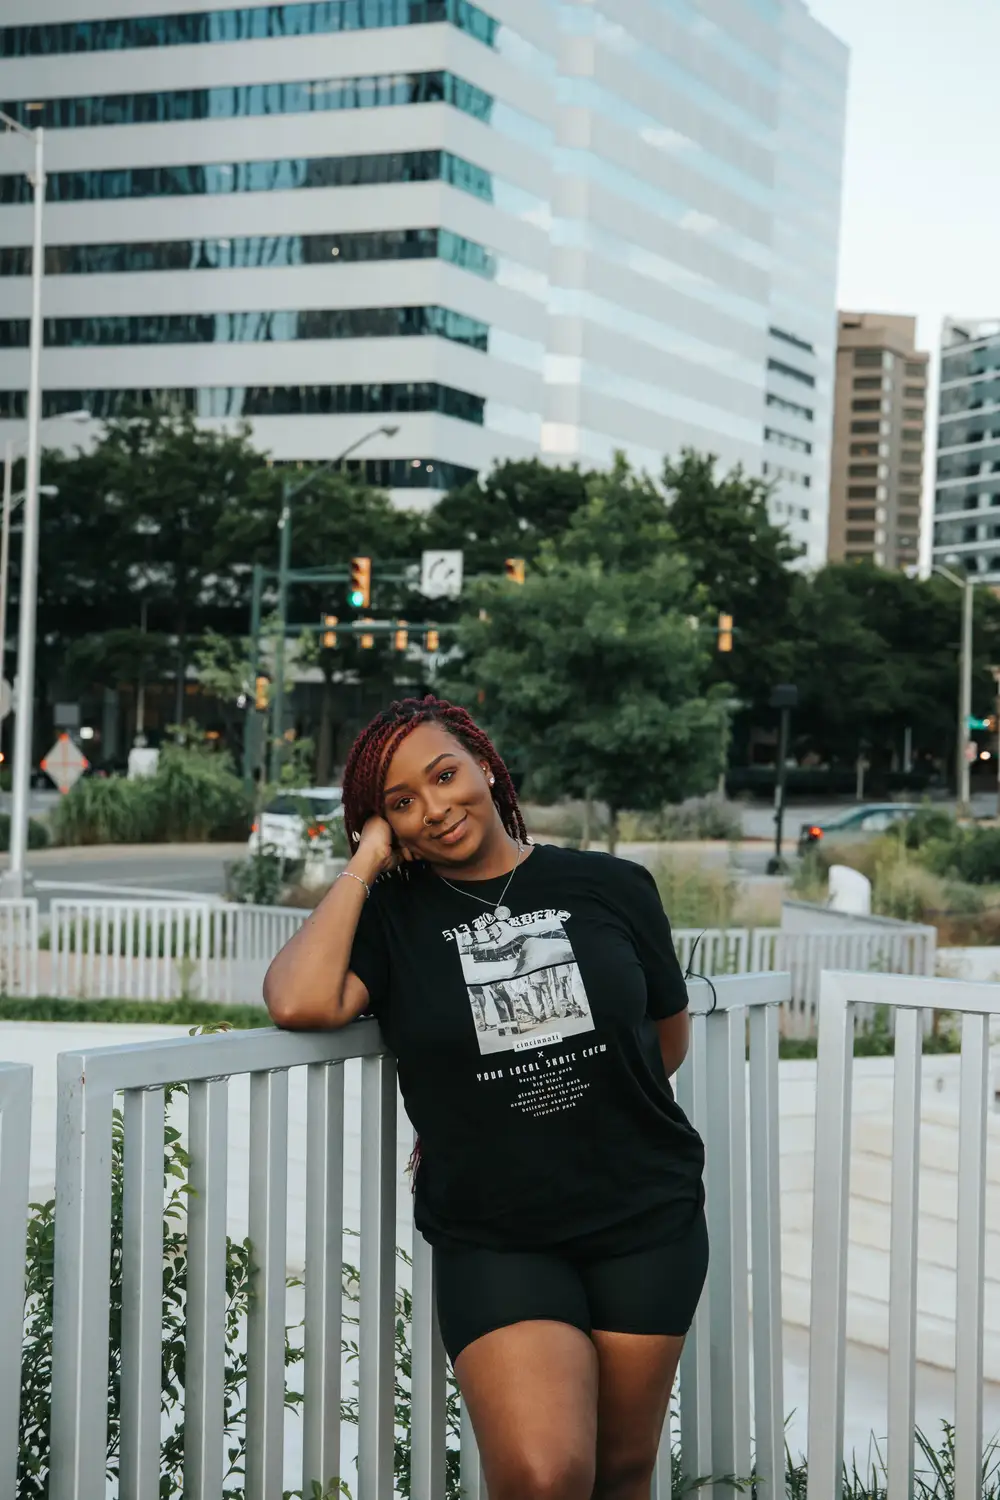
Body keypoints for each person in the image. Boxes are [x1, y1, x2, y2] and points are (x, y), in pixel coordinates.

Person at [264, 696, 707, 1500]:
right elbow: (297, 1000)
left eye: (443, 775)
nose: (435, 809)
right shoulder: (392, 919)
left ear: (483, 762)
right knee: (543, 1474)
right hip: (497, 1235)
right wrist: (365, 859)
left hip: (645, 1215)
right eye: (401, 803)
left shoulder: (610, 885)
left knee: (622, 1470)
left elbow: (663, 1042)